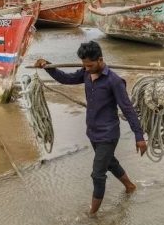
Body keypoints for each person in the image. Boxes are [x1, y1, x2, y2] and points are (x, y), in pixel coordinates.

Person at [34, 41, 148, 215]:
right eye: (83, 65)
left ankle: (92, 215)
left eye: (89, 65)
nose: (86, 68)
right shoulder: (86, 73)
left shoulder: (114, 81)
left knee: (97, 174)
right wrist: (47, 66)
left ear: (100, 60)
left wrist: (139, 137)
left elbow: (128, 109)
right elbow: (66, 79)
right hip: (92, 132)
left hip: (108, 134)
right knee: (110, 162)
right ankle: (130, 186)